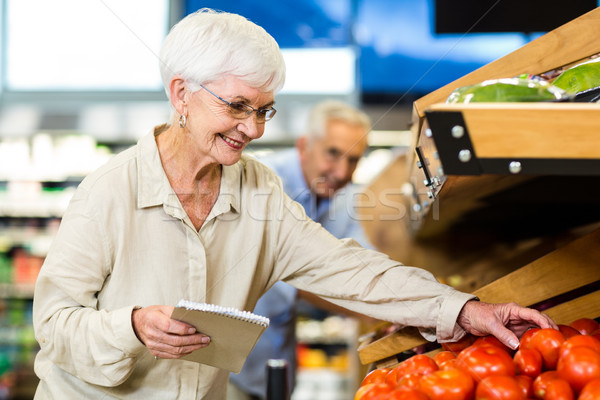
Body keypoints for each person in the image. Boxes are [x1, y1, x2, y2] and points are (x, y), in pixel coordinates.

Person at [32, 8, 556, 400]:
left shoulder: (258, 191)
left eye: (264, 111)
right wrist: (133, 324)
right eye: (238, 106)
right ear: (180, 94)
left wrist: (464, 308)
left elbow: (349, 269)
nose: (253, 129)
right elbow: (54, 325)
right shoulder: (109, 191)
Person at [228, 100, 374, 400]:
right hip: (229, 367)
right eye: (333, 154)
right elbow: (289, 278)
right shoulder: (264, 184)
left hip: (278, 361)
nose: (342, 171)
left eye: (353, 160)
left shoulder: (340, 196)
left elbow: (358, 263)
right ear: (304, 145)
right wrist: (376, 312)